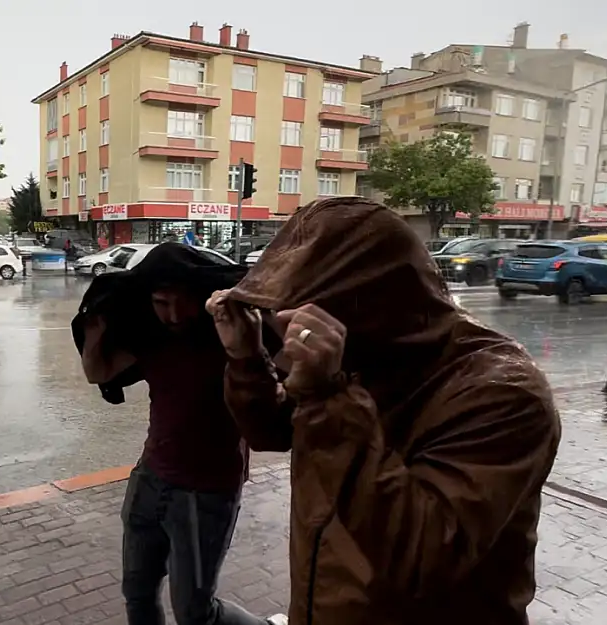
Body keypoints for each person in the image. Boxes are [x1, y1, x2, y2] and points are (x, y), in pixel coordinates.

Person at [205, 197, 561, 624]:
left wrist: (327, 397)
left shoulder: (503, 393)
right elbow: (274, 433)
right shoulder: (363, 354)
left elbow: (423, 554)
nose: (287, 348)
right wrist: (246, 359)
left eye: (302, 320)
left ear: (371, 303)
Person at [73, 243, 276, 625]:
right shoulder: (153, 339)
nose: (174, 314)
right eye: (161, 302)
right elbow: (98, 373)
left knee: (196, 613)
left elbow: (269, 400)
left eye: (183, 301)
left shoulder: (228, 340)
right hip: (150, 479)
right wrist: (95, 332)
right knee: (137, 592)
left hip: (206, 492)